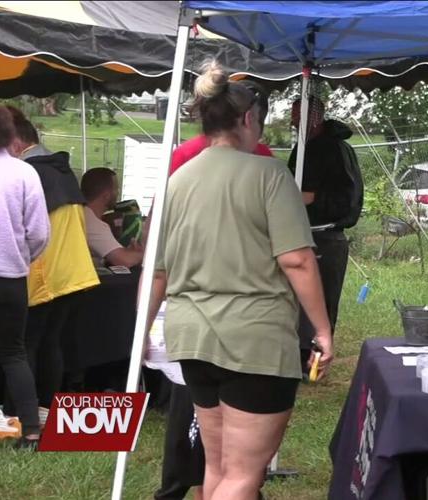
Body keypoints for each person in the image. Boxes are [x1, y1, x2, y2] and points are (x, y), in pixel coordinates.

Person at [145, 61, 334, 500]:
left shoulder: (176, 181)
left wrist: (142, 330)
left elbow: (157, 270)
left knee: (220, 466)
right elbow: (299, 262)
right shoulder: (269, 175)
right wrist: (322, 331)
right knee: (245, 474)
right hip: (254, 340)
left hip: (190, 337)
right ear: (249, 119)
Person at [153, 79, 275, 500]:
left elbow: (158, 238)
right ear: (246, 119)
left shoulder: (184, 161)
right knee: (235, 464)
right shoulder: (257, 160)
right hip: (244, 319)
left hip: (191, 315)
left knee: (218, 458)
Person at [1, 107, 98, 423]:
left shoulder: (27, 172)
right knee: (50, 341)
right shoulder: (60, 168)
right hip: (77, 270)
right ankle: (46, 407)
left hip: (44, 269)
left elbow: (31, 231)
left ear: (16, 142)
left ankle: (18, 413)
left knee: (24, 344)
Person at [287, 95, 363, 375]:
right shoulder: (302, 148)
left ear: (314, 117)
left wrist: (312, 198)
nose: (294, 121)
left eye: (299, 116)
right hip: (299, 233)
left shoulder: (337, 150)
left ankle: (318, 363)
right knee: (295, 301)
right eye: (293, 116)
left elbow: (348, 199)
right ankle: (296, 359)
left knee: (323, 301)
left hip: (327, 237)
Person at [0, 105, 50, 449]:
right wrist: (21, 258)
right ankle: (31, 430)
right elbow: (40, 232)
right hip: (10, 278)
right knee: (13, 353)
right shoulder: (23, 173)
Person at [81, 167, 144, 268]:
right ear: (106, 195)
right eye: (116, 189)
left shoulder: (82, 213)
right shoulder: (92, 222)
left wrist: (130, 252)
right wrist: (144, 254)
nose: (118, 193)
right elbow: (124, 260)